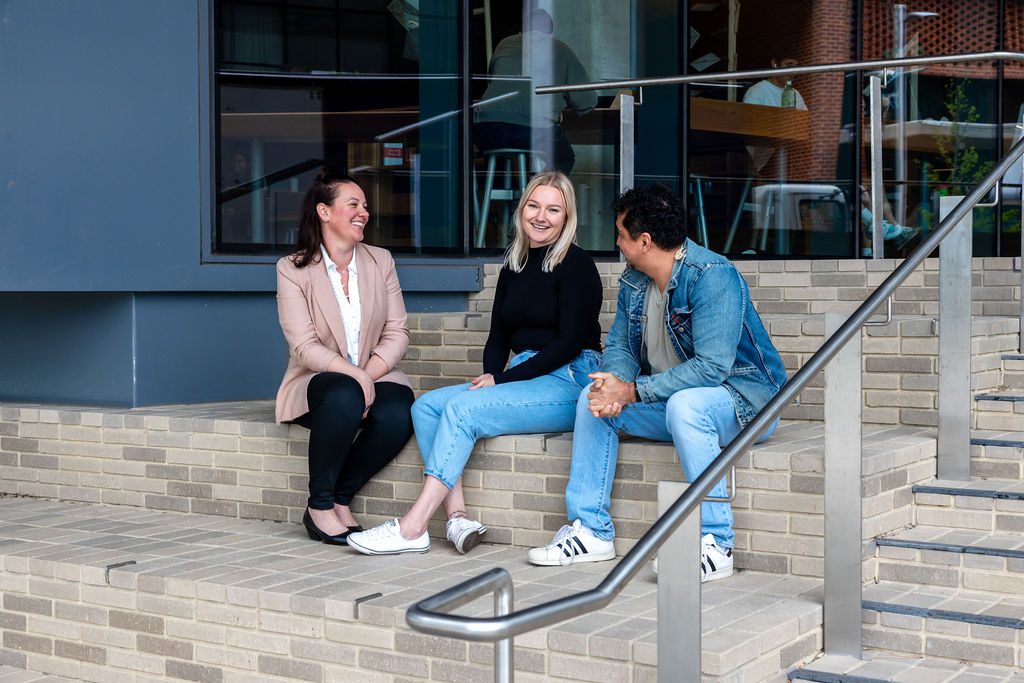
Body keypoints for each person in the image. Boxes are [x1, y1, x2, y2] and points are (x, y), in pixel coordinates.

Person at [529, 184, 788, 583]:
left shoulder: (713, 277)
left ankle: (716, 543)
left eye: (620, 234)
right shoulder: (636, 280)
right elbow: (620, 344)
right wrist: (614, 383)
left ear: (644, 241)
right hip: (673, 404)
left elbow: (711, 370)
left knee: (688, 406)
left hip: (744, 404)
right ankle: (592, 532)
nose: (616, 242)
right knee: (591, 397)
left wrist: (632, 392)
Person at [347, 171, 603, 555]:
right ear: (521, 210)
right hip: (528, 374)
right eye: (533, 205)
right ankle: (457, 519)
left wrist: (502, 380)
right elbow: (498, 336)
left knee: (463, 412)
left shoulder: (577, 265)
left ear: (567, 218)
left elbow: (567, 344)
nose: (541, 216)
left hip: (570, 376)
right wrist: (492, 374)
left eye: (553, 209)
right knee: (428, 406)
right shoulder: (513, 266)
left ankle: (412, 527)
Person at [275, 168, 414, 546]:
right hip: (315, 383)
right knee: (343, 394)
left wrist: (368, 374)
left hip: (375, 373)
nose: (363, 212)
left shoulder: (380, 260)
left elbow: (397, 331)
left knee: (399, 410)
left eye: (365, 206)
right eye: (353, 204)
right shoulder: (293, 269)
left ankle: (340, 497)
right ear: (324, 212)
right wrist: (356, 377)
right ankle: (318, 507)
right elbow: (303, 345)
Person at [474, 9, 597, 174]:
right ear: (550, 34)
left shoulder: (504, 44)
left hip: (486, 128)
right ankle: (537, 195)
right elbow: (587, 101)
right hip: (531, 130)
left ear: (521, 31)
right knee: (564, 158)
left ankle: (505, 197)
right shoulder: (558, 47)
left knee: (500, 157)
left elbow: (496, 82)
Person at [742, 55, 808, 175]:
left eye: (796, 66)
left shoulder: (795, 94)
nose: (793, 70)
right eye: (788, 65)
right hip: (761, 161)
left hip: (786, 157)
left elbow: (803, 125)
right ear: (774, 64)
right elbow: (752, 130)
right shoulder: (756, 92)